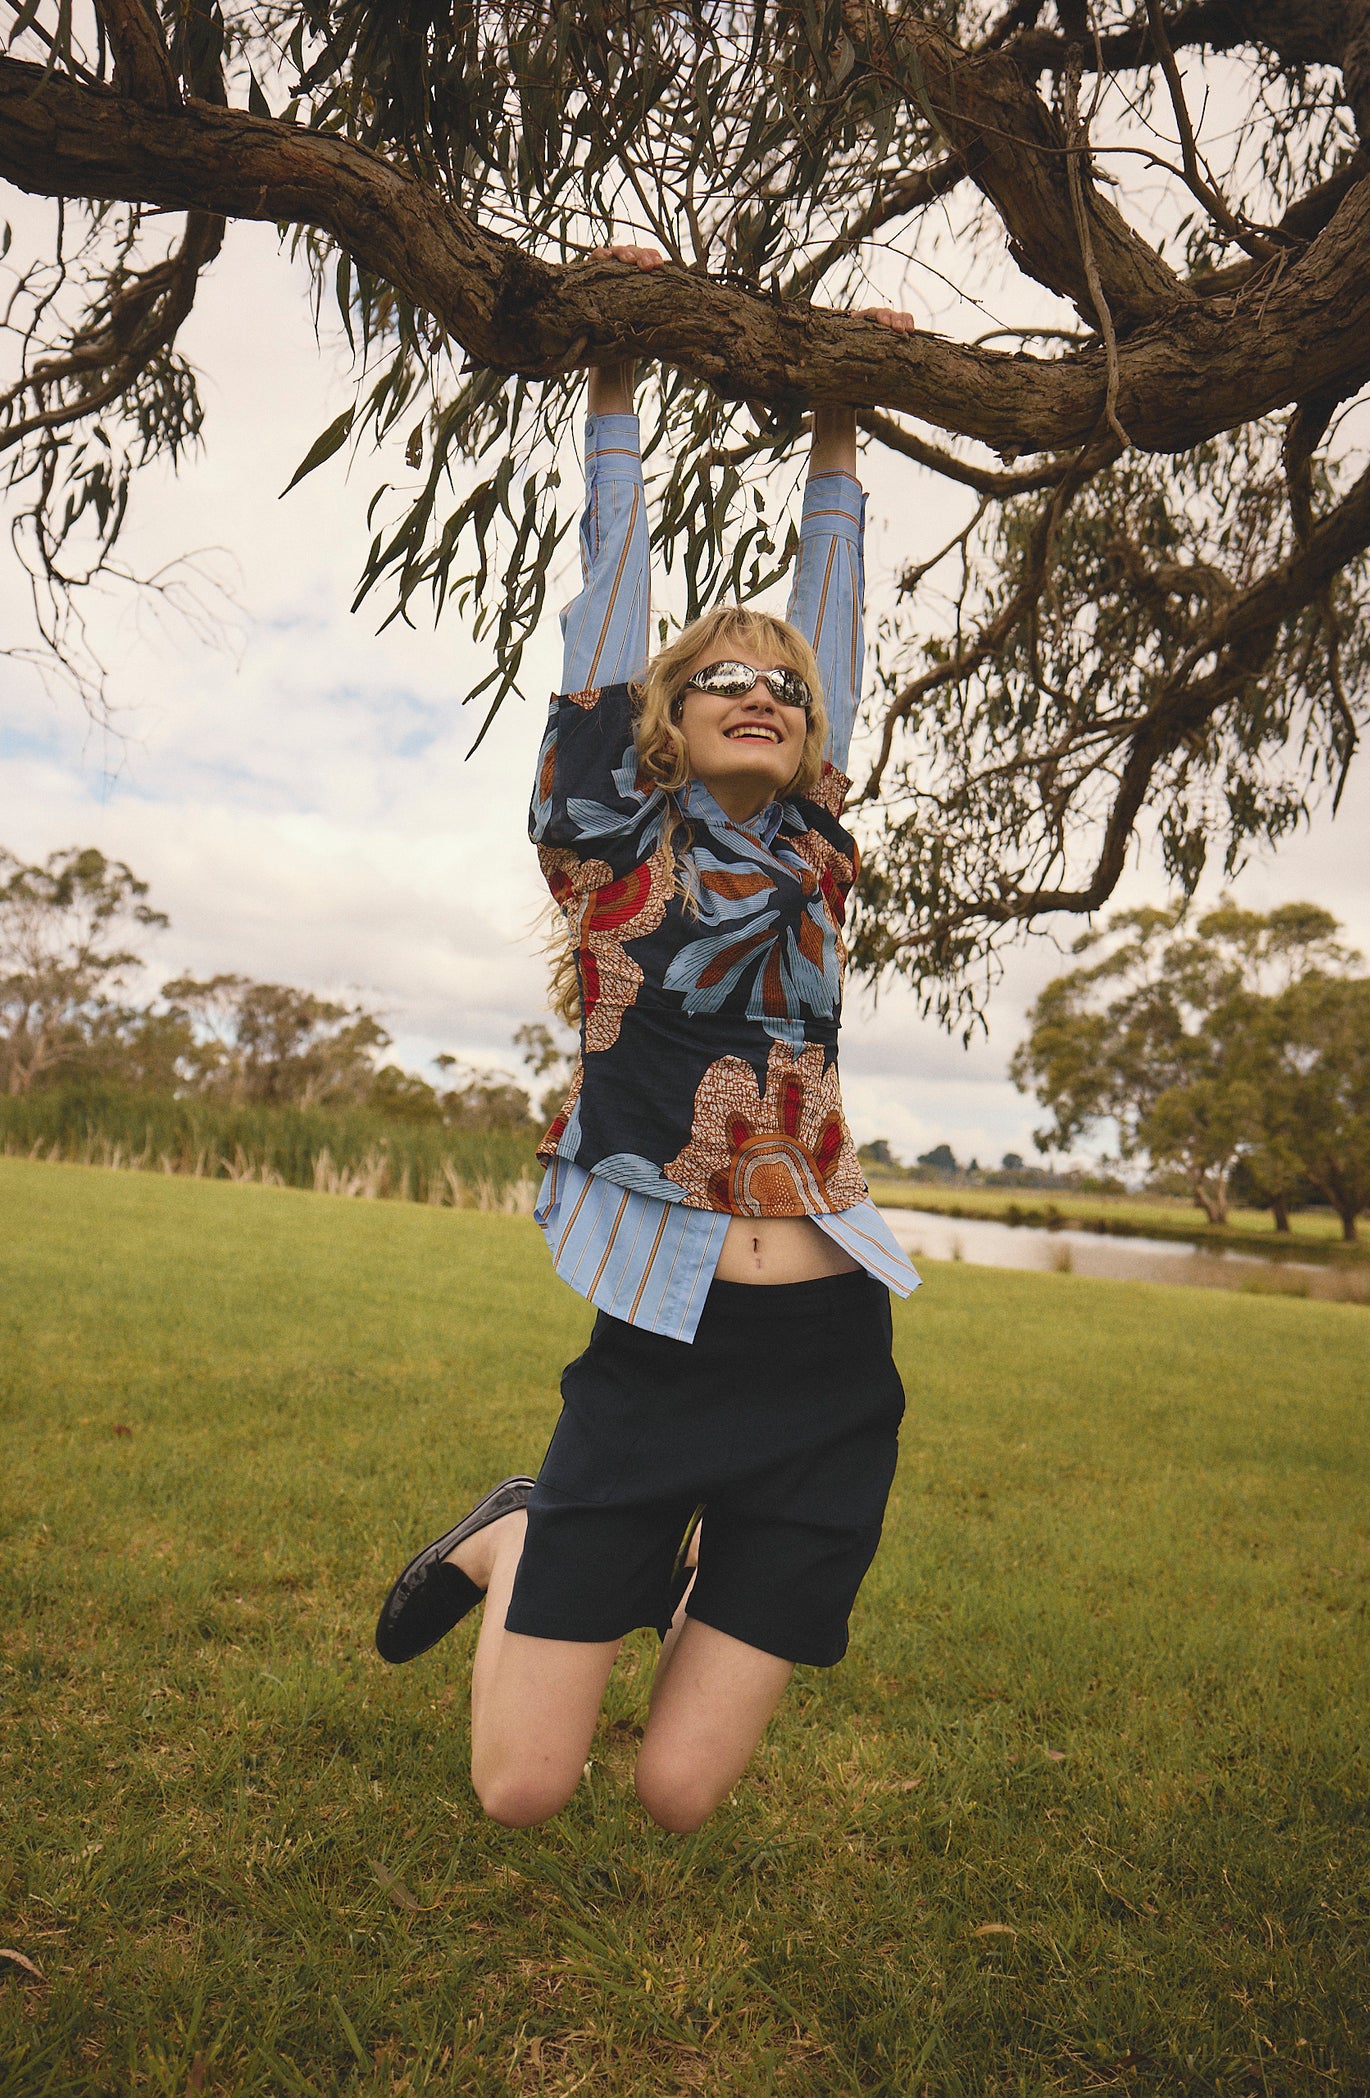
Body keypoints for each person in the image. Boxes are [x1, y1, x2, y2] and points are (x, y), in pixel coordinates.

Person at [376, 247, 922, 1834]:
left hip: (828, 1358)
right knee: (523, 1790)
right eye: (720, 682)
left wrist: (842, 426)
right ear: (665, 726)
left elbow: (832, 634)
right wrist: (610, 389)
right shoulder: (612, 852)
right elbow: (608, 629)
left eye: (780, 688)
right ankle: (523, 1530)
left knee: (677, 1793)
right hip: (661, 1347)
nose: (760, 691)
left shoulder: (813, 849)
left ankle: (662, 1572)